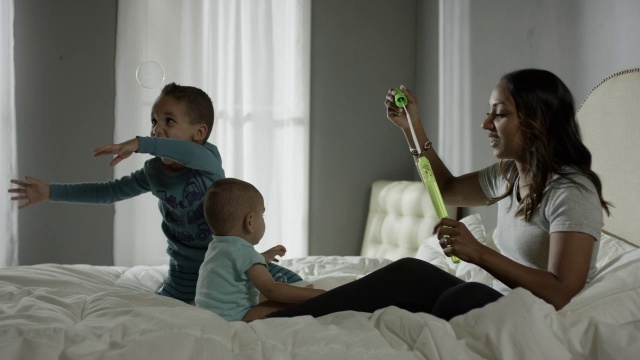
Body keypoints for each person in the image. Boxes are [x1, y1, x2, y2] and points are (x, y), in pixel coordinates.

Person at [267, 68, 609, 320]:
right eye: (489, 111)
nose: (486, 123)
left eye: (500, 114)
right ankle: (283, 319)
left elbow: (561, 292)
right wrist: (411, 126)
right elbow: (447, 190)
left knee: (463, 297)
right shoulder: (510, 174)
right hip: (501, 302)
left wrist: (478, 253)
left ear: (538, 121)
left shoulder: (571, 192)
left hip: (539, 318)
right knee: (411, 272)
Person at [8, 82, 302, 303]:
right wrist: (51, 191)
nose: (157, 129)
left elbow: (181, 151)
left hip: (231, 262)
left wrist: (139, 143)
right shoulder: (154, 173)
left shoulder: (207, 161)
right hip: (184, 272)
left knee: (292, 287)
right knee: (168, 308)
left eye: (169, 121)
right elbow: (108, 192)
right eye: (153, 121)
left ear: (199, 133)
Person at [196, 178, 325, 322]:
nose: (263, 219)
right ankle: (305, 297)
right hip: (234, 317)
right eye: (262, 215)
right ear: (250, 221)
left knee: (258, 295)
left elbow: (238, 264)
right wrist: (311, 294)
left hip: (210, 314)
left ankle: (300, 295)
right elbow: (271, 289)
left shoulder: (217, 246)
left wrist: (264, 256)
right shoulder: (243, 251)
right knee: (283, 303)